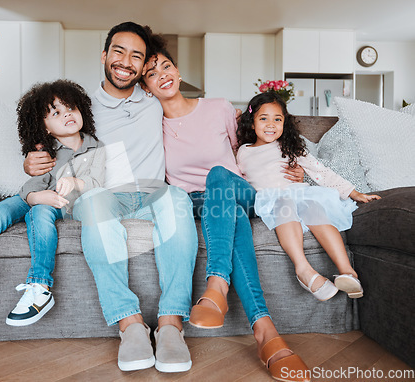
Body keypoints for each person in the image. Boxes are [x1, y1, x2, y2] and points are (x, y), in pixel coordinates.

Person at [24, 22, 197, 374]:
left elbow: (190, 110)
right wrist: (31, 160)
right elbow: (52, 136)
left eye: (137, 56)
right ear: (105, 55)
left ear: (143, 65)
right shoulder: (82, 108)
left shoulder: (153, 100)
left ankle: (170, 325)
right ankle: (129, 324)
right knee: (95, 202)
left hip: (151, 191)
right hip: (101, 192)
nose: (126, 61)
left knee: (178, 199)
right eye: (119, 51)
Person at [140, 35, 310, 382]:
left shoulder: (217, 107)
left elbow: (249, 150)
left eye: (166, 66)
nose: (163, 75)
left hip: (240, 190)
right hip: (197, 203)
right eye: (152, 73)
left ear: (177, 69)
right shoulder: (151, 127)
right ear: (145, 87)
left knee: (221, 177)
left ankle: (217, 284)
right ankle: (266, 333)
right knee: (228, 214)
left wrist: (294, 168)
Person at [0, 79, 105, 327]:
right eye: (56, 112)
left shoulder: (96, 147)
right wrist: (35, 197)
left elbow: (98, 182)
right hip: (32, 196)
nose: (67, 114)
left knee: (41, 213)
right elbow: (34, 184)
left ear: (82, 111)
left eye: (70, 108)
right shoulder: (45, 149)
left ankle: (40, 286)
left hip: (60, 204)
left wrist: (75, 183)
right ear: (44, 127)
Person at [237, 92, 381, 301]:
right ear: (251, 123)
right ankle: (303, 270)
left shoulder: (289, 148)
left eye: (277, 119)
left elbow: (320, 171)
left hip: (298, 193)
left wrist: (354, 192)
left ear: (285, 123)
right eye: (263, 118)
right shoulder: (242, 152)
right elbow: (234, 175)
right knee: (284, 203)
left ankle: (348, 272)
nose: (271, 124)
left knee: (313, 207)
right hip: (273, 199)